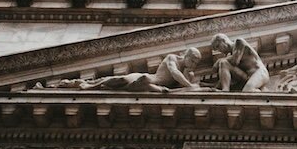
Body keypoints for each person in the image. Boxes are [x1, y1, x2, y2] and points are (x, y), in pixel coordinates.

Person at [51, 48, 202, 92]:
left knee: (157, 89)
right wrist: (190, 85)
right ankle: (89, 85)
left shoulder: (188, 72)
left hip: (151, 86)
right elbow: (174, 73)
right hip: (147, 79)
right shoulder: (172, 58)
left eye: (197, 62)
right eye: (193, 60)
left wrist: (191, 80)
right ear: (186, 55)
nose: (194, 64)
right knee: (120, 80)